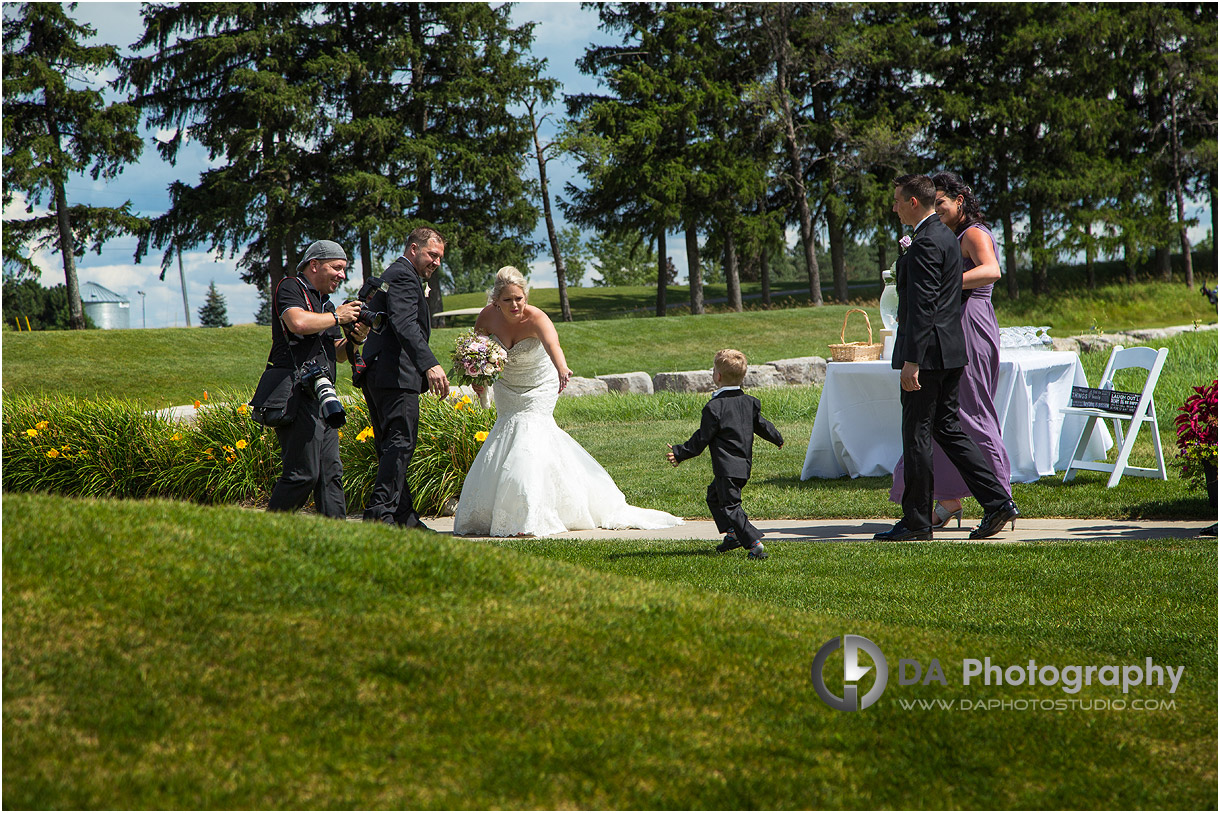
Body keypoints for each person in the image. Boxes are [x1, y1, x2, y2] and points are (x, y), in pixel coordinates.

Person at [453, 266, 683, 537]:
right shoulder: (487, 317)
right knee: (508, 431)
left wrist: (562, 369)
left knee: (529, 433)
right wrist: (477, 375)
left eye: (519, 298)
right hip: (507, 385)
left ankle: (527, 516)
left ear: (525, 297)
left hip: (540, 383)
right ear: (496, 301)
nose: (515, 305)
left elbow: (554, 346)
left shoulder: (537, 318)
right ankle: (496, 513)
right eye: (507, 300)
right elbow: (475, 350)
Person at [876, 174, 1018, 541]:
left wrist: (912, 360)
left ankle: (917, 522)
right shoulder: (943, 237)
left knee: (918, 436)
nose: (892, 206)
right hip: (951, 350)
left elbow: (924, 306)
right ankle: (997, 500)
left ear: (911, 202)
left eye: (896, 200)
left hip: (930, 355)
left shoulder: (926, 241)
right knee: (948, 430)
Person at [266, 240, 369, 517]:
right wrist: (337, 317)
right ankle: (266, 531)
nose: (342, 275)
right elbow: (297, 322)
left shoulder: (326, 303)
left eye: (344, 269)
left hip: (323, 397)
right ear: (314, 265)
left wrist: (354, 340)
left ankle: (336, 542)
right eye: (336, 268)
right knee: (303, 474)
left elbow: (338, 353)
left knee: (331, 474)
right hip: (296, 395)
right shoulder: (291, 287)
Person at [360, 227, 451, 530]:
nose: (436, 262)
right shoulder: (402, 275)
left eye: (440, 257)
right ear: (413, 249)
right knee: (400, 443)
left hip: (381, 373)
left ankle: (403, 517)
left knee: (392, 444)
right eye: (432, 254)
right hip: (395, 375)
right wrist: (430, 364)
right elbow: (404, 323)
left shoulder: (400, 274)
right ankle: (379, 513)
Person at [666, 349, 784, 560]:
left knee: (730, 506)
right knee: (714, 496)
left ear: (717, 376)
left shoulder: (714, 407)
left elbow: (702, 438)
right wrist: (777, 438)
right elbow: (763, 425)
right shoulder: (750, 402)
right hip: (743, 466)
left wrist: (680, 453)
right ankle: (732, 535)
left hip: (726, 468)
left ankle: (754, 543)